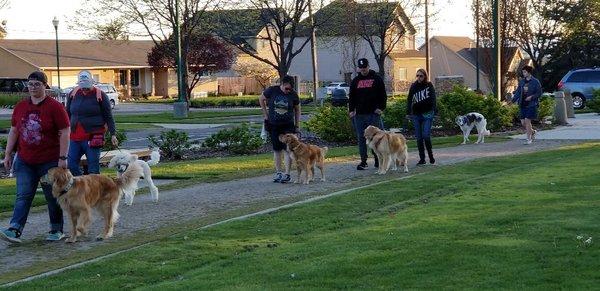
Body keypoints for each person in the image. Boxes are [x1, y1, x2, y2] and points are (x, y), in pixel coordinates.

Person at [1, 71, 70, 244]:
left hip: (49, 160)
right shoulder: (21, 107)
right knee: (23, 195)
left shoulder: (55, 107)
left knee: (52, 196)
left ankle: (56, 229)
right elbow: (15, 130)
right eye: (30, 84)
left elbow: (64, 131)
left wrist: (63, 157)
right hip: (26, 160)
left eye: (37, 84)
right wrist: (8, 153)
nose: (32, 87)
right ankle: (15, 229)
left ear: (44, 86)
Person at [66, 70, 118, 176]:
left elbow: (108, 116)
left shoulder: (101, 95)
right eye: (82, 86)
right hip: (75, 137)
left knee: (93, 168)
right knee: (71, 165)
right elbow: (67, 114)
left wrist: (113, 134)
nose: (84, 89)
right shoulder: (73, 94)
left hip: (93, 137)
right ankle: (82, 185)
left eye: (87, 86)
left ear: (92, 83)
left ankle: (94, 190)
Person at [259, 75, 301, 183]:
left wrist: (297, 125)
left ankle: (287, 174)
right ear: (282, 84)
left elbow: (297, 110)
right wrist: (265, 115)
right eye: (286, 88)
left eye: (290, 89)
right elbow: (261, 98)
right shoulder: (272, 90)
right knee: (277, 149)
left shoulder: (293, 95)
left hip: (288, 125)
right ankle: (278, 173)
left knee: (287, 149)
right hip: (274, 125)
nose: (288, 91)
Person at [349, 58, 387, 170]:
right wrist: (351, 110)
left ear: (368, 66)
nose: (363, 70)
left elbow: (383, 95)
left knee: (376, 137)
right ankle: (363, 161)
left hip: (373, 114)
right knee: (361, 138)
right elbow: (352, 97)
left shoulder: (376, 79)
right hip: (360, 115)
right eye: (361, 68)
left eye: (365, 67)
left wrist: (381, 108)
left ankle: (378, 159)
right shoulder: (355, 81)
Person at [406, 68, 437, 165]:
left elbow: (433, 99)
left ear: (425, 76)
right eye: (417, 76)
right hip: (416, 114)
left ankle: (431, 156)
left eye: (421, 76)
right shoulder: (414, 86)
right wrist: (408, 112)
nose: (419, 78)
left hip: (427, 114)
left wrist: (433, 110)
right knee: (419, 137)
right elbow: (409, 99)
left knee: (426, 135)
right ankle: (422, 159)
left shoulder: (429, 85)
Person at [510, 65, 541, 145]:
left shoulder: (535, 82)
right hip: (522, 104)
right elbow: (517, 92)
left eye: (525, 72)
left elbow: (539, 93)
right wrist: (512, 101)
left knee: (527, 120)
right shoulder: (522, 82)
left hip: (531, 104)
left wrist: (531, 97)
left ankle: (529, 139)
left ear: (529, 72)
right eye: (523, 72)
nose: (523, 73)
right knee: (523, 123)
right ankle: (533, 132)